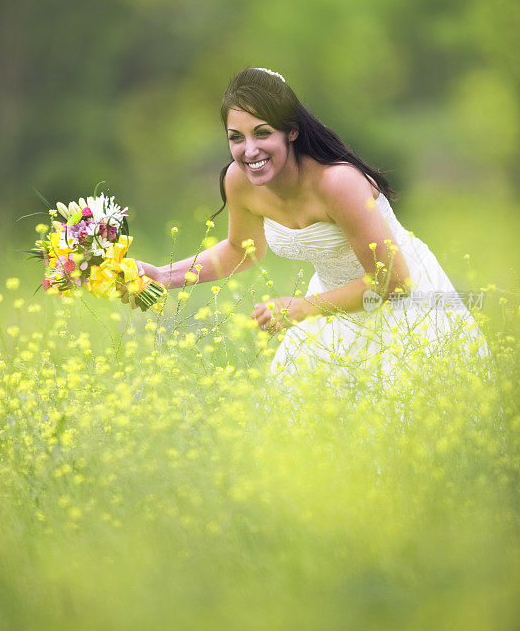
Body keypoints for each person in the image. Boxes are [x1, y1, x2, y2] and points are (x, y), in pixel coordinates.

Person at [122, 67, 488, 391]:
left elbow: (393, 282)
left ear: (291, 132)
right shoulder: (240, 181)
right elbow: (239, 250)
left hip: (403, 304)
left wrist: (302, 308)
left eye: (262, 133)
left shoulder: (338, 183)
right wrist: (161, 275)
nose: (249, 150)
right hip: (327, 306)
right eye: (236, 137)